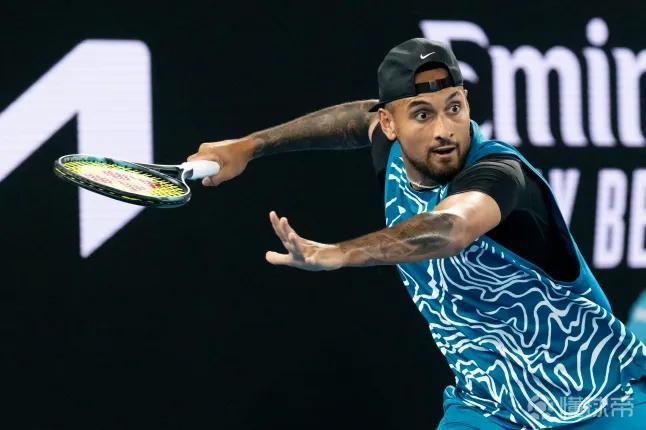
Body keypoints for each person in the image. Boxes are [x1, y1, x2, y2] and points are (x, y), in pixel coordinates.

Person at [188, 38, 646, 428]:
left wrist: (340, 253)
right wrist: (249, 146)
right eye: (422, 115)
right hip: (490, 408)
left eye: (454, 108)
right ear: (390, 124)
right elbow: (358, 118)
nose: (444, 130)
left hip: (604, 401)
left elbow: (451, 227)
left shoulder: (501, 174)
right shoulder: (389, 147)